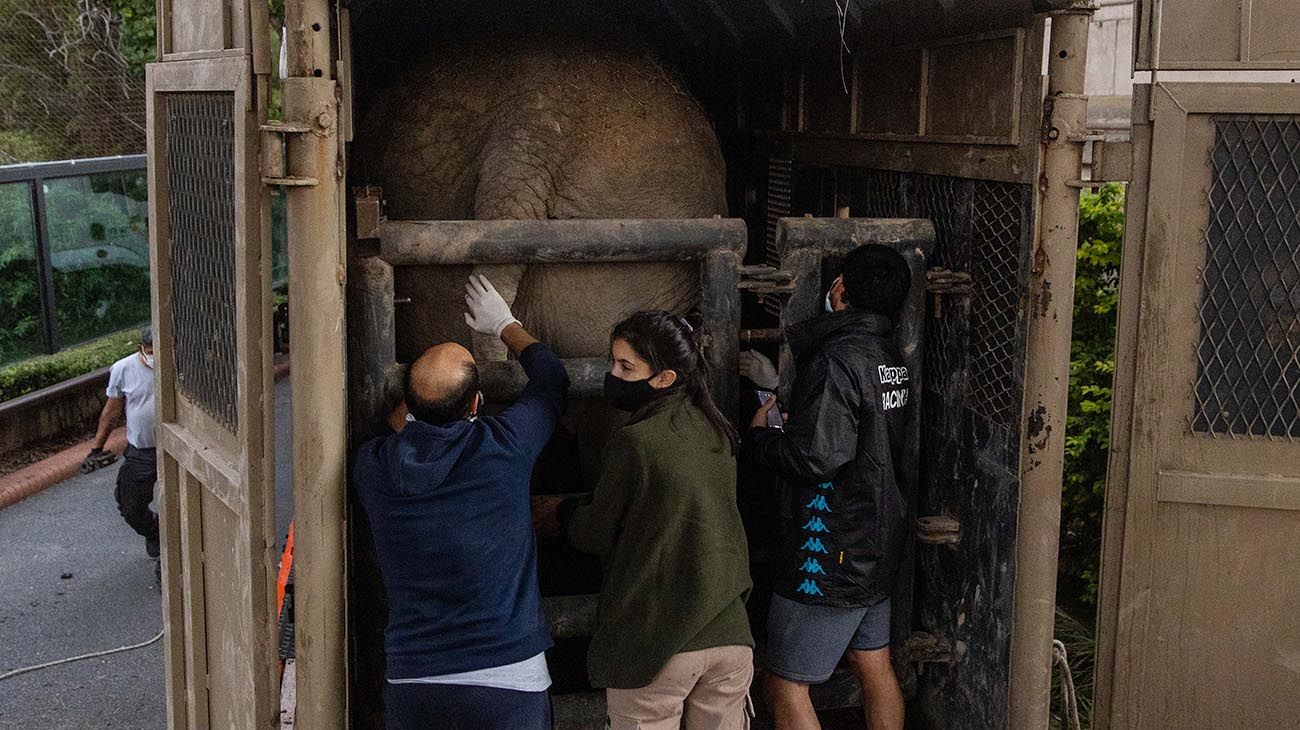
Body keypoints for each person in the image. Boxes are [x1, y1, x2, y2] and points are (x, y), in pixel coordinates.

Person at [352, 275, 569, 730]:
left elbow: (390, 429)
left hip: (415, 680)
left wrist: (415, 405)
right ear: (476, 404)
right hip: (508, 676)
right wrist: (504, 324)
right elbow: (552, 379)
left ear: (406, 404)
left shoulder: (373, 469)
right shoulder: (504, 446)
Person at [548, 310, 754, 730]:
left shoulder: (634, 442)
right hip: (730, 637)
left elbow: (593, 533)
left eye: (626, 366)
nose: (613, 374)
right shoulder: (717, 431)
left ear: (664, 378)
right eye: (613, 362)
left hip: (658, 643)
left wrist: (564, 511)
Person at [740, 244, 913, 730]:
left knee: (786, 683)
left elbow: (814, 458)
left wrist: (761, 439)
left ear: (839, 289)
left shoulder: (838, 358)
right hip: (877, 544)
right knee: (873, 663)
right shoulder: (891, 356)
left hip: (829, 552)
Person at [84, 325, 158, 561]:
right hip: (143, 451)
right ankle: (154, 532)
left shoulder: (181, 363)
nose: (154, 357)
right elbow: (111, 412)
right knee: (130, 506)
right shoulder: (124, 369)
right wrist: (97, 447)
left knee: (179, 507)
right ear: (141, 349)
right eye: (150, 351)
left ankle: (167, 561)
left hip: (176, 451)